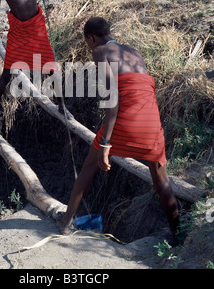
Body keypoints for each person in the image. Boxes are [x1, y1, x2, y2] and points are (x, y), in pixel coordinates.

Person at [58, 16, 180, 243]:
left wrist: (105, 145)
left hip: (126, 121)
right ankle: (179, 235)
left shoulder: (100, 52)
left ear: (91, 38)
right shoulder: (133, 52)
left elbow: (112, 102)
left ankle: (65, 223)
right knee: (162, 181)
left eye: (88, 43)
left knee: (88, 168)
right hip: (151, 123)